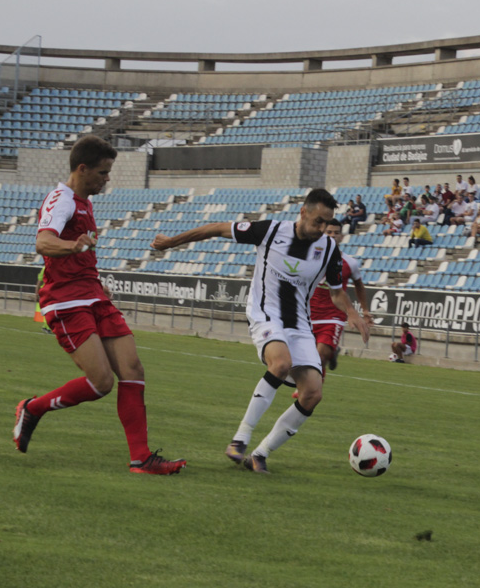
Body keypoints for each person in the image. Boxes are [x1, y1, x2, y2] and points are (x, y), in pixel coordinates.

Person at [150, 188, 370, 474]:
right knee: (281, 364)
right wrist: (170, 242)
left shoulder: (328, 249)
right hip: (265, 314)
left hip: (300, 324)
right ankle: (240, 438)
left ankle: (260, 454)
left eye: (327, 224)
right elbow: (217, 228)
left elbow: (337, 294)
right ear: (303, 213)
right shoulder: (270, 231)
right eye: (317, 221)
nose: (321, 229)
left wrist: (353, 313)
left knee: (313, 393)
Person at [11, 136, 185, 474]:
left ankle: (142, 459)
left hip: (92, 293)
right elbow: (43, 242)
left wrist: (92, 274)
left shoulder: (85, 202)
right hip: (65, 301)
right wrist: (74, 248)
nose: (107, 179)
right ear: (82, 169)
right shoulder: (61, 200)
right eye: (103, 173)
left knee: (133, 370)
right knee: (102, 382)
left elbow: (77, 250)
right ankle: (33, 408)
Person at [308, 219, 373, 376]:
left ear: (342, 237)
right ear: (322, 235)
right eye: (329, 232)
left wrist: (364, 310)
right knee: (306, 358)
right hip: (310, 312)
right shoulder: (311, 257)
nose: (333, 236)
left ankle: (308, 392)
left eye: (336, 233)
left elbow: (359, 285)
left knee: (320, 355)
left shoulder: (350, 262)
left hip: (334, 313)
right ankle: (332, 354)